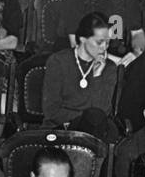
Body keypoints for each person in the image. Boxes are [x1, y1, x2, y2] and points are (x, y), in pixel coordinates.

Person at [40, 12, 121, 140]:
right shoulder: (58, 62)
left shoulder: (109, 68)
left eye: (108, 43)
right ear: (83, 39)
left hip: (94, 131)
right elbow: (51, 110)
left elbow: (103, 112)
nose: (104, 48)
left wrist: (97, 76)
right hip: (61, 127)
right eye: (100, 42)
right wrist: (84, 119)